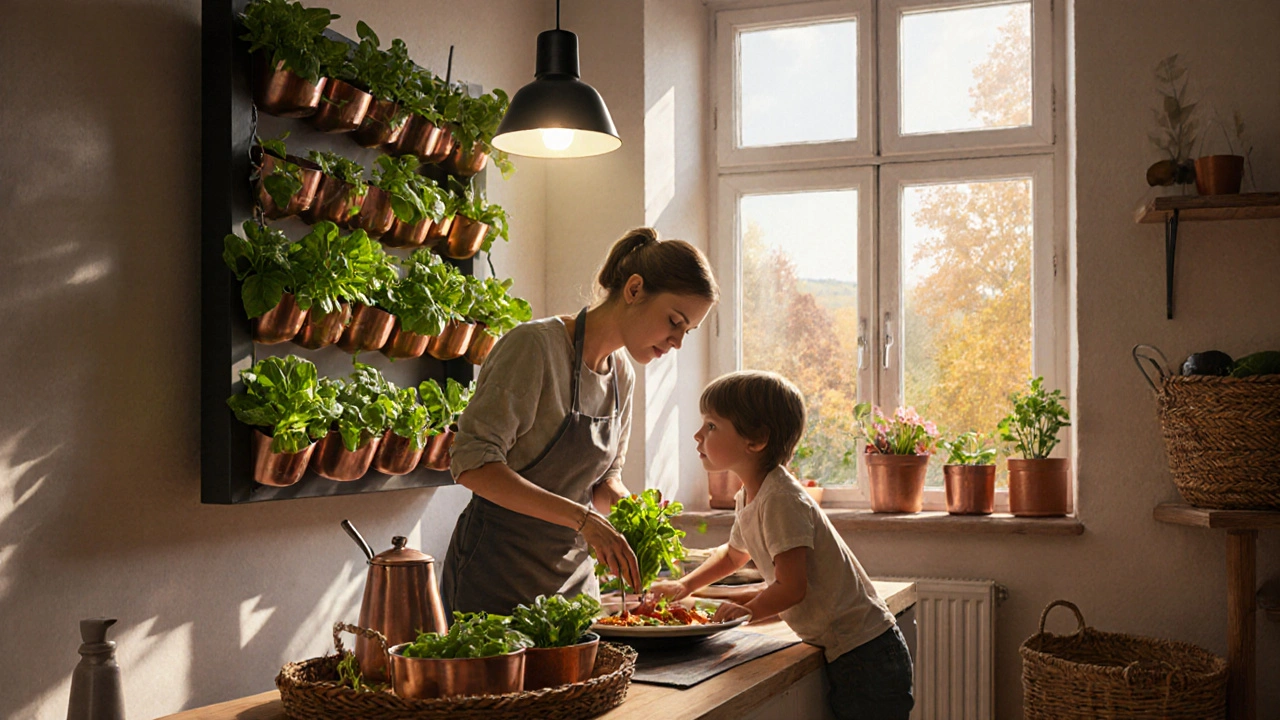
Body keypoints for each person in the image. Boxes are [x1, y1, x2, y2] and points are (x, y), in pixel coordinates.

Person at [440, 227, 718, 616]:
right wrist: (584, 518)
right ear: (634, 290)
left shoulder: (623, 376)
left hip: (573, 587)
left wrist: (638, 522)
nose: (677, 342)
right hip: (496, 579)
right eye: (674, 321)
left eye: (687, 331)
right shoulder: (534, 347)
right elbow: (472, 465)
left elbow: (604, 481)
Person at [650, 370, 914, 720]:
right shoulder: (750, 495)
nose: (698, 435)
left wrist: (748, 610)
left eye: (712, 426)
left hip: (867, 655)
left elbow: (792, 588)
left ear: (756, 440)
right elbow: (733, 554)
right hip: (852, 650)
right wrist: (684, 585)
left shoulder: (781, 500)